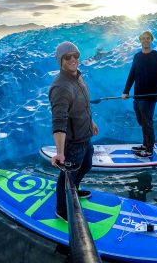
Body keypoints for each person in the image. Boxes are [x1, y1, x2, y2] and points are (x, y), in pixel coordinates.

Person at [49, 41, 99, 221]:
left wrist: (91, 122)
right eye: (67, 57)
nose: (73, 60)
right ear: (60, 60)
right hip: (73, 142)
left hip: (85, 136)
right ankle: (62, 210)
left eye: (75, 56)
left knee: (86, 166)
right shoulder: (61, 87)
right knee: (67, 177)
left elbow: (82, 104)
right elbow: (59, 121)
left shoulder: (77, 77)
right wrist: (60, 153)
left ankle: (74, 192)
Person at [122, 31, 157, 157]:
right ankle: (145, 144)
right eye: (143, 38)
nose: (145, 40)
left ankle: (149, 150)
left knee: (147, 123)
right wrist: (126, 91)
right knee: (141, 121)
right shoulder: (137, 56)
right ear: (140, 40)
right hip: (137, 96)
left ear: (151, 40)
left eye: (148, 38)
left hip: (150, 96)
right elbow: (132, 74)